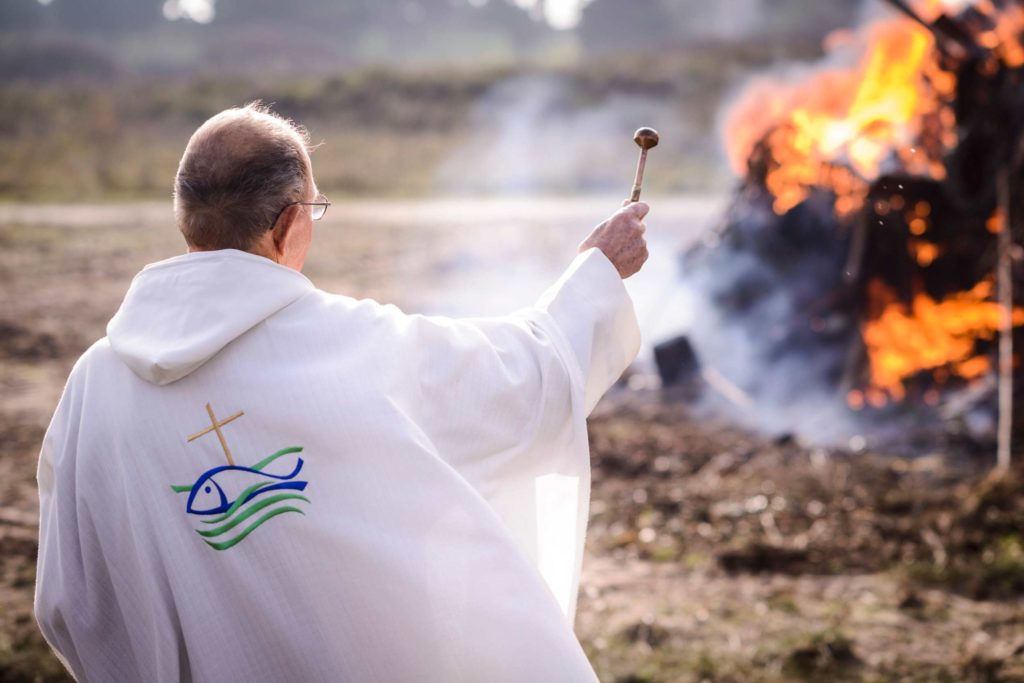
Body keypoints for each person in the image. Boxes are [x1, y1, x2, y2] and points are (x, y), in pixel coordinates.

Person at [34, 102, 649, 682]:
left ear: (186, 215)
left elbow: (68, 601)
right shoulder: (357, 344)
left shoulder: (94, 384)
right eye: (315, 209)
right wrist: (596, 271)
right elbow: (522, 377)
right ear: (289, 223)